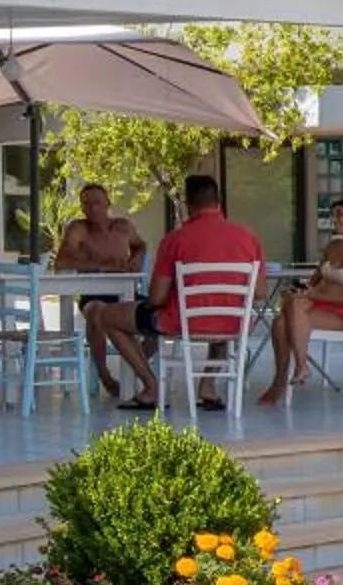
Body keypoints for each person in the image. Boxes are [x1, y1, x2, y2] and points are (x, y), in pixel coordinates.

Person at [143, 172, 267, 411]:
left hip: (183, 323)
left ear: (188, 204)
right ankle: (207, 385)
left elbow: (157, 297)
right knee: (223, 316)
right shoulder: (248, 237)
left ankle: (149, 385)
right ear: (218, 201)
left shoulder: (175, 239)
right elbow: (260, 292)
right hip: (233, 324)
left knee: (111, 317)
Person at [259, 192, 343, 406]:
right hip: (314, 307)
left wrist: (314, 296)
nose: (335, 220)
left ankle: (286, 377)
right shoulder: (333, 247)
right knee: (286, 311)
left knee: (282, 320)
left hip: (342, 315)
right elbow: (313, 282)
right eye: (333, 216)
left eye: (340, 215)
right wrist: (301, 291)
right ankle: (297, 369)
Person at [52, 182, 149, 400]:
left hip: (126, 295)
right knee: (96, 312)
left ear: (108, 203)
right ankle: (105, 376)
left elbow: (140, 245)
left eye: (97, 202)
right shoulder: (79, 228)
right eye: (86, 204)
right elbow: (62, 261)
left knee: (160, 315)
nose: (92, 208)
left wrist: (137, 257)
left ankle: (135, 369)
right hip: (94, 295)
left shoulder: (123, 226)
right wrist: (102, 266)